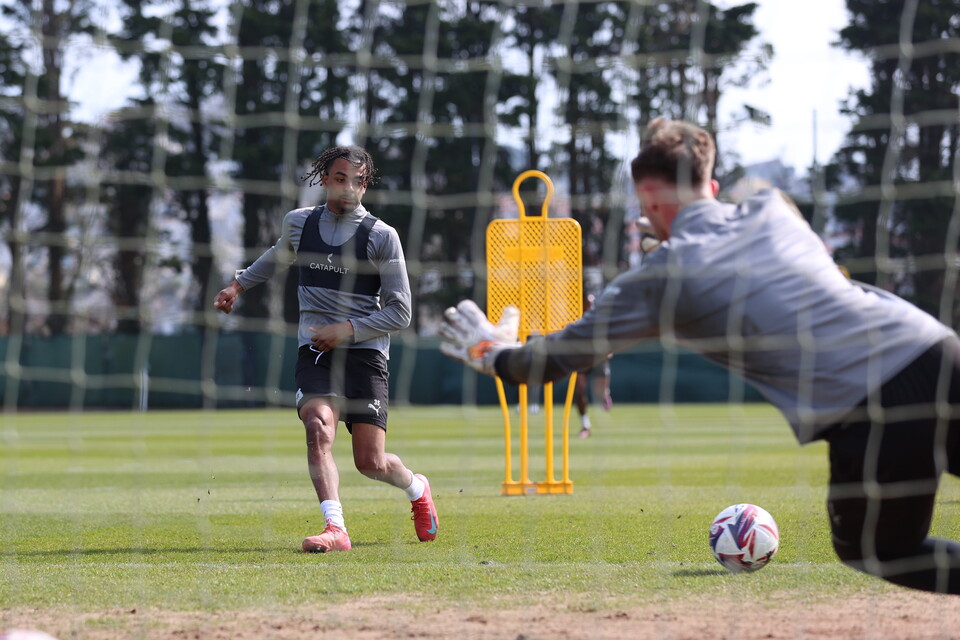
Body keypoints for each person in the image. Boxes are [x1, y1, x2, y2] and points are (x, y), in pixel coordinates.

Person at [439, 118, 960, 594]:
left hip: (874, 406)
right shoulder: (772, 207)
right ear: (710, 183)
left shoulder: (660, 277)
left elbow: (548, 362)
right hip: (937, 350)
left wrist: (490, 349)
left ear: (647, 198)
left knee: (875, 548)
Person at [214, 145, 438, 552]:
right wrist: (238, 285)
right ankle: (336, 528)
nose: (348, 188)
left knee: (370, 462)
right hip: (316, 349)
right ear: (325, 180)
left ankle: (417, 488)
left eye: (358, 182)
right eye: (339, 179)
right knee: (318, 427)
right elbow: (278, 255)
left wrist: (347, 330)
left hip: (366, 355)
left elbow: (401, 312)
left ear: (365, 186)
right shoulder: (300, 223)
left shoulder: (382, 236)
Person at [574, 292, 613, 438]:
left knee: (600, 392)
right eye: (586, 303)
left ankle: (605, 395)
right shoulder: (576, 320)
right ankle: (585, 425)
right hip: (581, 358)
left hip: (598, 357)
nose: (589, 307)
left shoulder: (601, 320)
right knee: (579, 391)